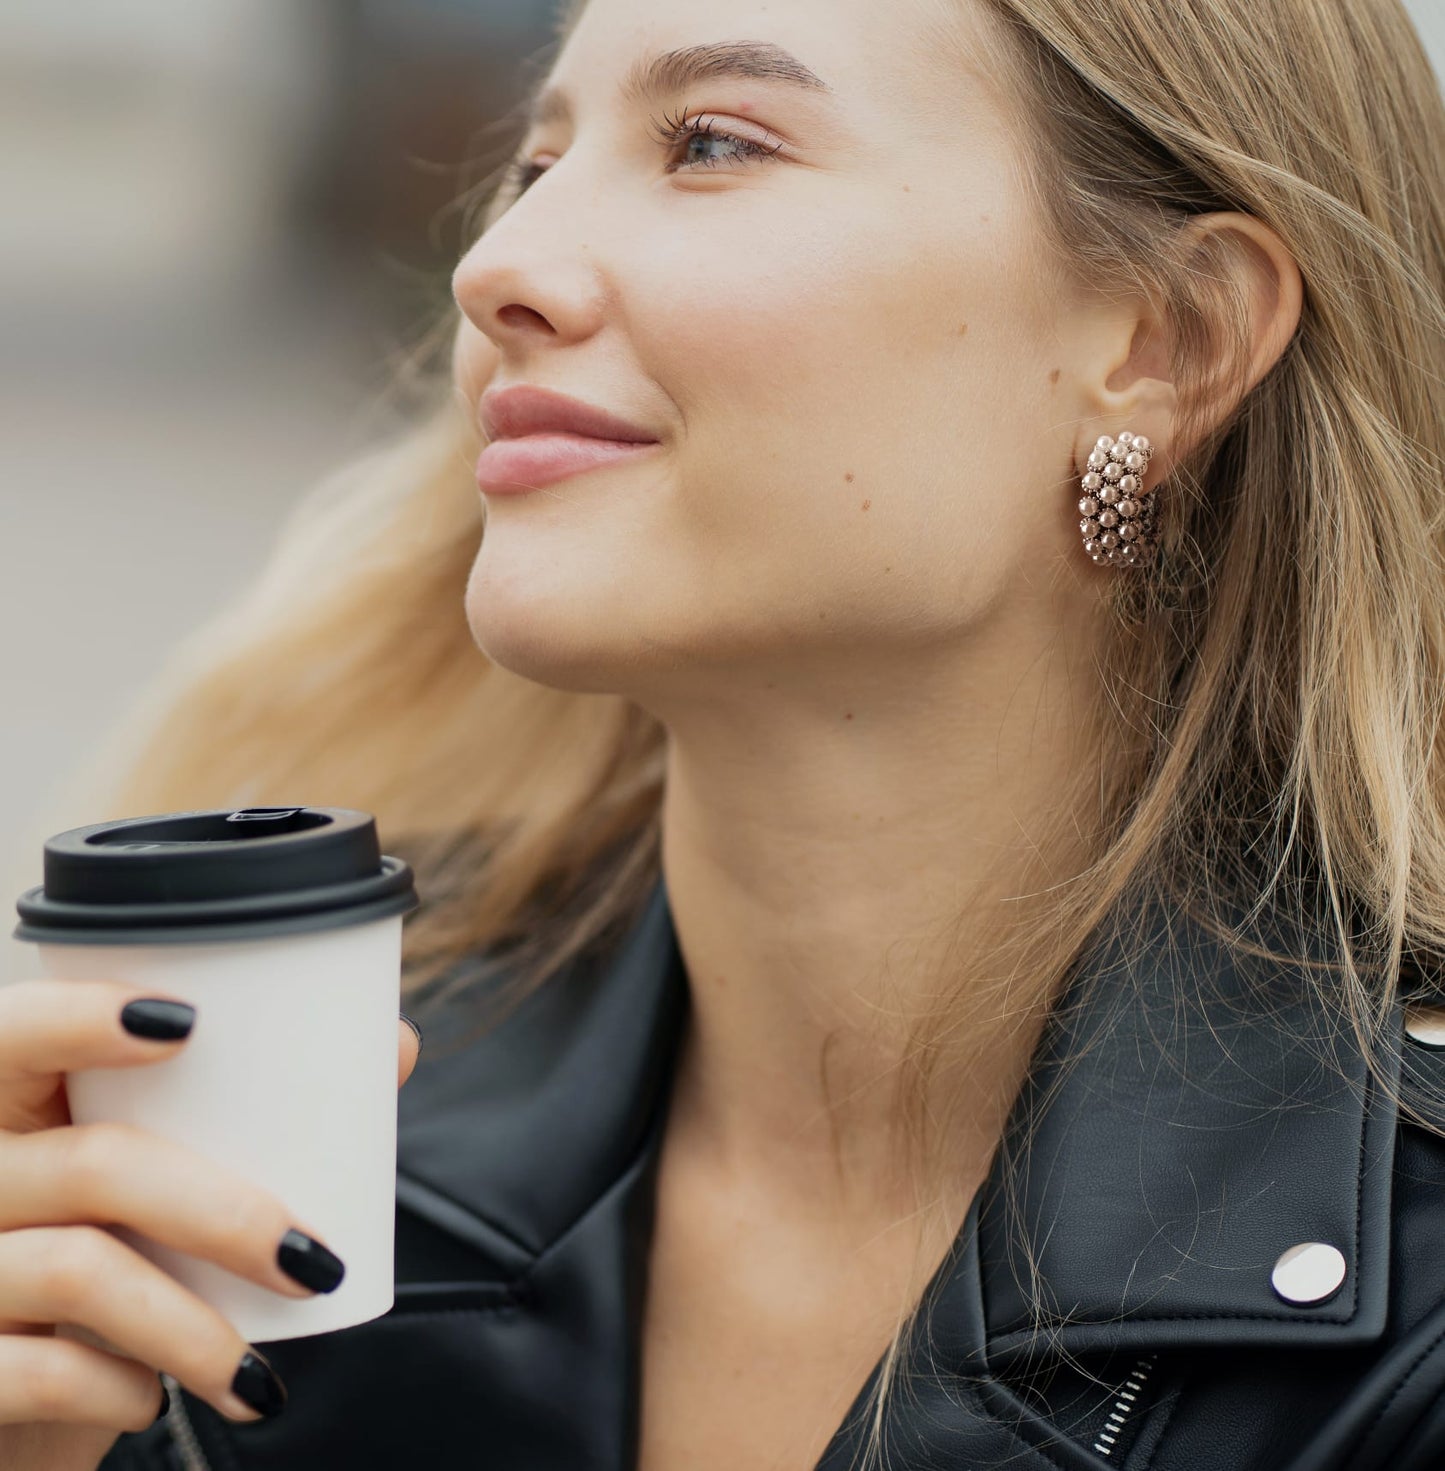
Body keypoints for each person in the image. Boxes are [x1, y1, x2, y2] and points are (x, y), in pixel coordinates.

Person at [4, 0, 1445, 1465]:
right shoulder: (272, 1184)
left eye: (710, 143)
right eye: (532, 166)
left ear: (1166, 337)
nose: (496, 265)